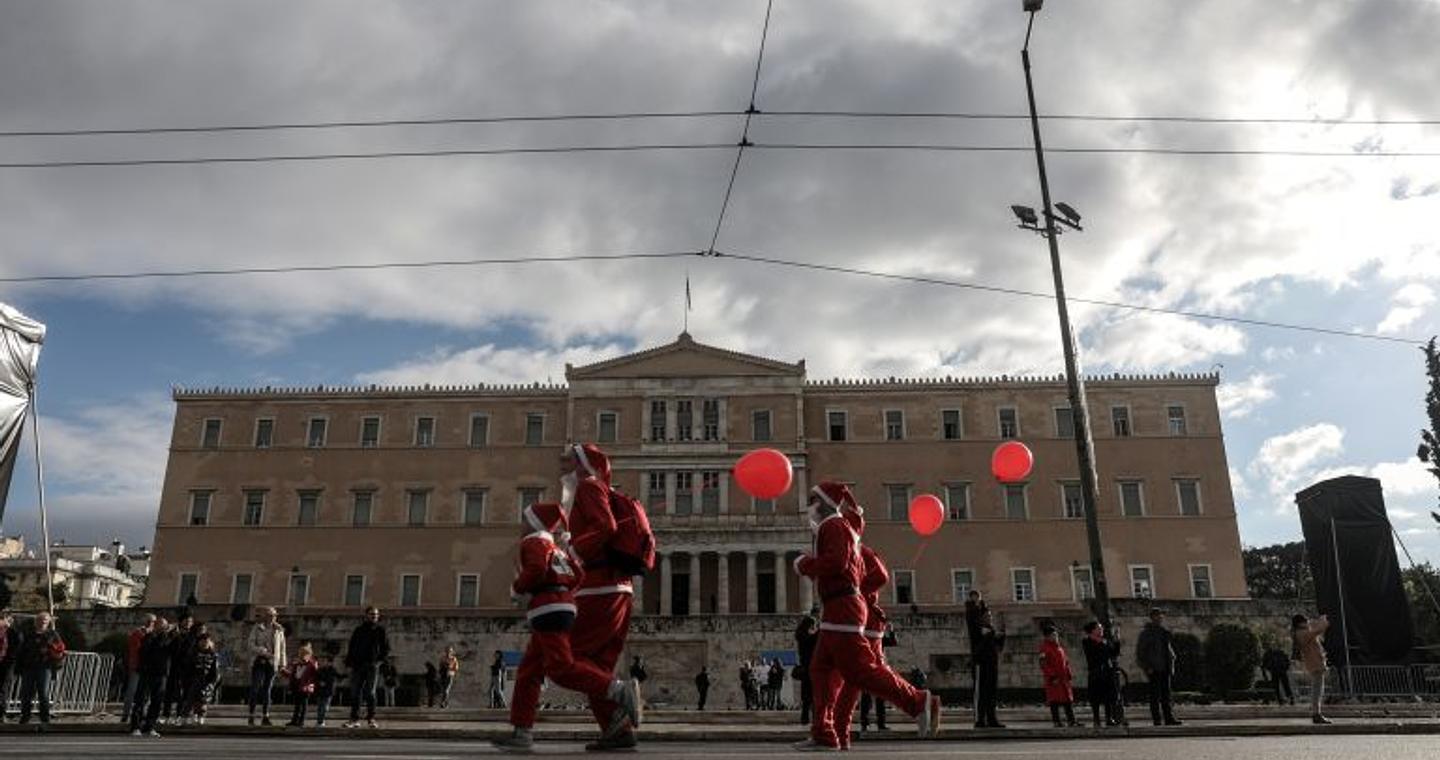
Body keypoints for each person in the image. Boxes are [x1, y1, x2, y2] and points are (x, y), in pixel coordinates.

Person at [509, 443, 643, 752]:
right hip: (615, 591)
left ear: (584, 464)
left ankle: (522, 730)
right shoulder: (594, 489)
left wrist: (573, 553)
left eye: (569, 460)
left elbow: (605, 527)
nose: (563, 464)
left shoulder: (588, 486)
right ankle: (617, 729)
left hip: (599, 591)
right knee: (592, 665)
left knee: (557, 662)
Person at [794, 481, 941, 750]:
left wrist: (805, 565)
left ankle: (918, 701)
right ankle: (824, 734)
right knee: (821, 670)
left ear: (826, 502)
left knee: (860, 671)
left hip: (843, 607)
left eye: (813, 499)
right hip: (836, 608)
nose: (809, 505)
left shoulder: (834, 526)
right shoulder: (838, 528)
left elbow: (836, 564)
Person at [835, 539, 895, 746]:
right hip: (857, 619)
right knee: (858, 678)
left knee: (863, 676)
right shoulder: (843, 552)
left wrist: (858, 593)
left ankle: (919, 701)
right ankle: (840, 732)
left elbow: (881, 576)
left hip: (865, 621)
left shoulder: (862, 552)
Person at [342, 606, 390, 728]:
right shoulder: (359, 630)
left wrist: (379, 661)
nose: (374, 616)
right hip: (358, 664)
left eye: (376, 614)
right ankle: (354, 719)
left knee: (370, 692)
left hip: (372, 665)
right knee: (355, 692)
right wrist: (349, 662)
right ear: (366, 615)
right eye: (371, 614)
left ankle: (371, 718)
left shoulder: (381, 630)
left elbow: (386, 648)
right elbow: (352, 646)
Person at [17, 610, 65, 726]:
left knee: (43, 693)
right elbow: (21, 651)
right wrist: (18, 667)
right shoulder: (29, 634)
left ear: (48, 622)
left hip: (45, 667)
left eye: (45, 619)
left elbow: (60, 649)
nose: (43, 621)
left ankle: (45, 718)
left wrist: (51, 653)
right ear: (36, 621)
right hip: (28, 667)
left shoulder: (53, 634)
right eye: (40, 619)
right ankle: (25, 717)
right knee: (26, 694)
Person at [1135, 607, 1181, 726]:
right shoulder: (1146, 634)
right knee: (1155, 696)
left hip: (1164, 666)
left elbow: (1168, 648)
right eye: (1157, 615)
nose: (1160, 617)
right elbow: (1140, 652)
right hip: (1153, 668)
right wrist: (1147, 667)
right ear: (1152, 617)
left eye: (1161, 615)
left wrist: (1171, 662)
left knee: (1166, 695)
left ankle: (1169, 717)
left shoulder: (1163, 632)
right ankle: (1157, 719)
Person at [130, 617, 174, 737]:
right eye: (158, 624)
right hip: (147, 672)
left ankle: (150, 727)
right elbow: (144, 650)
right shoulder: (148, 637)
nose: (161, 627)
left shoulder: (169, 638)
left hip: (161, 673)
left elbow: (172, 649)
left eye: (163, 625)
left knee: (157, 701)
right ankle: (136, 726)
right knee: (141, 700)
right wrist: (153, 634)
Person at [247, 606, 287, 726]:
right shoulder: (257, 628)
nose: (272, 618)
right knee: (255, 687)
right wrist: (263, 651)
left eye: (274, 615)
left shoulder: (279, 630)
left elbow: (282, 648)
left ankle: (266, 715)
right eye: (269, 615)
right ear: (264, 616)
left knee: (267, 689)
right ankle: (251, 714)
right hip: (259, 660)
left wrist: (282, 664)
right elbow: (250, 644)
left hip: (272, 662)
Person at [1081, 620, 1123, 727]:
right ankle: (1096, 719)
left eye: (1101, 628)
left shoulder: (1105, 641)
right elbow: (1092, 654)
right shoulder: (1087, 642)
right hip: (1096, 673)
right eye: (1098, 628)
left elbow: (1114, 653)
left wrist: (1117, 640)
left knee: (1108, 696)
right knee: (1095, 697)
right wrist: (1100, 643)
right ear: (1092, 631)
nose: (1101, 630)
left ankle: (1109, 718)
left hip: (1107, 672)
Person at [1292, 613, 1333, 724]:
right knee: (1317, 690)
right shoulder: (1302, 633)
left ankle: (1317, 712)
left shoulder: (1303, 632)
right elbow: (1319, 629)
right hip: (1314, 664)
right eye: (1306, 621)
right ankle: (1316, 713)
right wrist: (1323, 620)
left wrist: (1316, 621)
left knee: (1319, 689)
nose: (1308, 622)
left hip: (1316, 663)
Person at [1039, 623, 1080, 727]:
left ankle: (1072, 720)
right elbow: (1044, 664)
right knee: (1054, 701)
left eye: (1056, 635)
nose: (1055, 637)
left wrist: (1068, 673)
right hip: (1054, 679)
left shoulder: (1059, 648)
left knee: (1067, 700)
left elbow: (1066, 662)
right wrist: (1052, 676)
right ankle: (1057, 721)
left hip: (1063, 678)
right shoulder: (1044, 648)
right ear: (1047, 637)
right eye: (1053, 635)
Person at [119, 613, 156, 724]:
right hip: (137, 666)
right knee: (132, 691)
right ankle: (126, 714)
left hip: (149, 667)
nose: (150, 623)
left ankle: (142, 714)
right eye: (148, 621)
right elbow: (136, 649)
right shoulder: (137, 633)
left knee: (146, 693)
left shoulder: (154, 634)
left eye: (153, 621)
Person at [972, 609, 1006, 728]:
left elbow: (998, 647)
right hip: (981, 664)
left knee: (991, 692)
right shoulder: (978, 629)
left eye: (990, 616)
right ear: (981, 618)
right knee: (981, 692)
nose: (989, 618)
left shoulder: (991, 630)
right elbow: (979, 644)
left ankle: (992, 718)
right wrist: (993, 634)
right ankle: (980, 719)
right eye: (987, 616)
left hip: (992, 664)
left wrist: (1002, 635)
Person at [162, 615, 197, 725]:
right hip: (174, 665)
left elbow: (190, 649)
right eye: (186, 621)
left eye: (190, 621)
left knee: (184, 693)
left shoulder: (192, 635)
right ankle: (166, 715)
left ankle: (179, 715)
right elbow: (167, 647)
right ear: (181, 622)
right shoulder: (173, 634)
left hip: (186, 668)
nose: (188, 623)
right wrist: (174, 636)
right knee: (170, 691)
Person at [181, 632, 221, 726]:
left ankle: (201, 716)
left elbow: (215, 670)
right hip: (194, 678)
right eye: (202, 641)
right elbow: (187, 667)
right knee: (191, 698)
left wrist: (212, 682)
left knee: (203, 699)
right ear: (198, 642)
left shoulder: (213, 655)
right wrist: (186, 679)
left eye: (206, 641)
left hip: (207, 679)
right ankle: (186, 716)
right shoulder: (193, 653)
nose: (204, 643)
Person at [284, 643, 319, 727]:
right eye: (301, 654)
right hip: (297, 686)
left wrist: (312, 684)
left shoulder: (312, 665)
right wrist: (284, 672)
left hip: (306, 687)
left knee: (303, 704)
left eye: (304, 655)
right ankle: (294, 720)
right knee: (297, 704)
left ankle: (301, 721)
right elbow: (293, 675)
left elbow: (316, 676)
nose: (302, 656)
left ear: (309, 655)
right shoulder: (297, 664)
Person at [794, 612, 818, 724]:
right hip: (810, 668)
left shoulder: (801, 636)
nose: (813, 628)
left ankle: (805, 718)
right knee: (812, 695)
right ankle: (813, 718)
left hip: (806, 667)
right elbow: (812, 641)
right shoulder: (806, 638)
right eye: (813, 626)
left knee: (807, 696)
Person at [0, 609, 22, 724]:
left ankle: (1, 714)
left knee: (3, 689)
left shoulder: (13, 632)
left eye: (5, 618)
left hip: (7, 664)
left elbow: (18, 646)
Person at [314, 654, 341, 727]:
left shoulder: (333, 670)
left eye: (326, 661)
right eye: (323, 661)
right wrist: (319, 682)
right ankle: (319, 721)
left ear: (330, 662)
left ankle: (321, 721)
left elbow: (337, 677)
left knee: (324, 707)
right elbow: (316, 677)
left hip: (328, 691)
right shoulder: (320, 670)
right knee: (320, 706)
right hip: (320, 691)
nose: (324, 663)